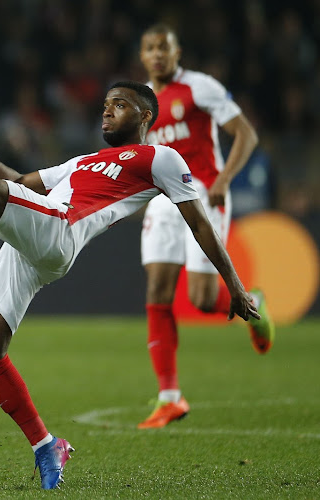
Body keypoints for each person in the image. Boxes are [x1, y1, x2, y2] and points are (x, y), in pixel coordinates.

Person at [0, 80, 259, 490]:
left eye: (120, 105)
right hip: (38, 228)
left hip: (60, 229)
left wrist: (232, 283)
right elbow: (21, 181)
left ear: (145, 117)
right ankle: (46, 444)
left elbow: (198, 220)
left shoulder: (160, 157)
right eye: (106, 104)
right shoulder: (83, 161)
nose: (107, 111)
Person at [136, 24, 275, 429]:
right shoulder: (141, 101)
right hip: (161, 202)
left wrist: (225, 181)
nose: (158, 54)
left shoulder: (200, 87)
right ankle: (169, 397)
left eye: (165, 47)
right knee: (157, 291)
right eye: (150, 48)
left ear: (177, 52)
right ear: (142, 57)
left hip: (202, 195)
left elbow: (245, 135)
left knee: (200, 297)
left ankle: (254, 304)